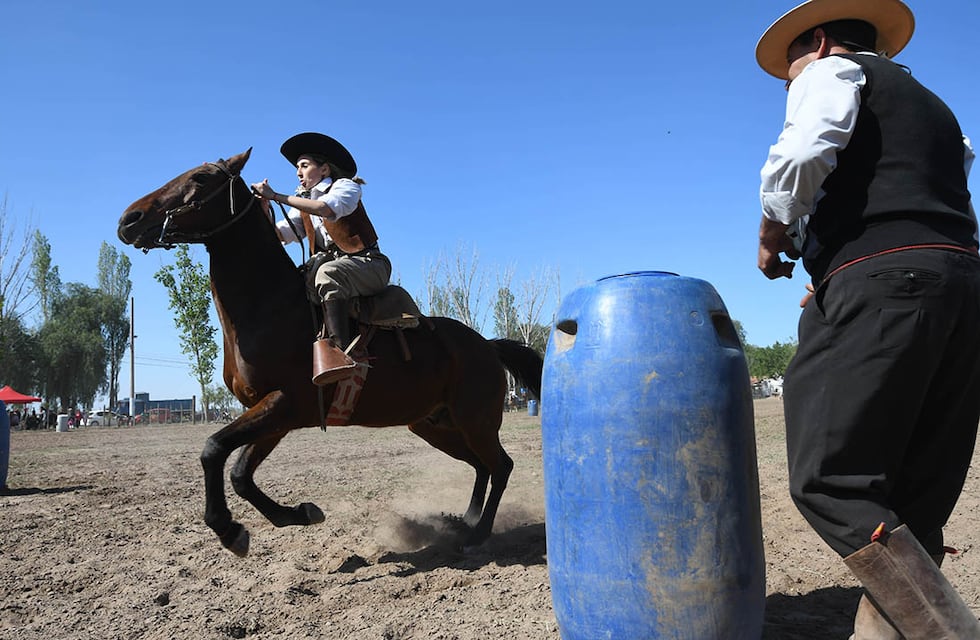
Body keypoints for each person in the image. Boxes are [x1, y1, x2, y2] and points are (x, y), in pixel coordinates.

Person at [755, 1, 980, 637]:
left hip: (888, 280)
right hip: (961, 285)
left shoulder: (832, 74)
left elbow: (799, 160)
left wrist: (772, 236)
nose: (788, 82)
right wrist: (845, 269)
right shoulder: (937, 109)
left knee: (829, 478)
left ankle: (947, 633)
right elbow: (938, 200)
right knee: (916, 496)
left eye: (789, 68)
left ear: (821, 41)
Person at [250, 132, 391, 385]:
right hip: (338, 268)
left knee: (327, 273)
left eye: (304, 166)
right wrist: (264, 210)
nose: (298, 173)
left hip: (369, 265)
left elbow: (326, 209)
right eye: (297, 168)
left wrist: (276, 197)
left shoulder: (345, 187)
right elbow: (280, 234)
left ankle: (342, 355)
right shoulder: (303, 203)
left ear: (324, 169)